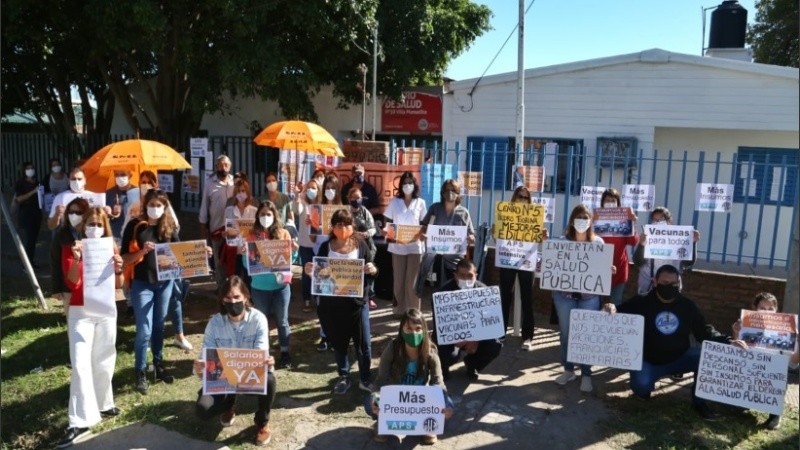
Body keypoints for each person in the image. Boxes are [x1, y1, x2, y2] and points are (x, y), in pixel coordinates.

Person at [603, 264, 744, 420]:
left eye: (674, 283)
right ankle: (647, 384)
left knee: (705, 357)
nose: (670, 287)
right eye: (665, 283)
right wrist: (610, 308)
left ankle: (699, 401)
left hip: (680, 358)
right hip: (650, 361)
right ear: (655, 282)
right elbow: (618, 312)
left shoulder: (687, 305)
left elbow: (704, 331)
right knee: (640, 389)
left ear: (679, 283)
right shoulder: (641, 301)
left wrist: (728, 340)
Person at [122, 189, 207, 394]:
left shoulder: (168, 226)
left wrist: (202, 253)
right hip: (142, 284)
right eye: (152, 205)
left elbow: (182, 255)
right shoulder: (135, 226)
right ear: (145, 205)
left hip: (165, 284)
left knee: (159, 326)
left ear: (165, 206)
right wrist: (142, 251)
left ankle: (158, 365)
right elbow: (125, 258)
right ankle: (140, 371)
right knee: (144, 329)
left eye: (159, 205)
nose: (155, 209)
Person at [56, 207, 124, 448]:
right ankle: (79, 420)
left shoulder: (110, 247)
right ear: (82, 226)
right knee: (80, 364)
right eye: (89, 224)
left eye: (97, 224)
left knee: (105, 359)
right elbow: (72, 282)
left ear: (104, 226)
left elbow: (119, 284)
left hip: (105, 311)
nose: (93, 227)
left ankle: (103, 404)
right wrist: (76, 258)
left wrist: (119, 268)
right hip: (80, 313)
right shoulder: (72, 247)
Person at [193, 276, 276, 447]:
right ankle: (228, 406)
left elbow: (261, 352)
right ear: (222, 300)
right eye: (228, 298)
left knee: (269, 380)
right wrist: (200, 368)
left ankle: (262, 423)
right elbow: (205, 356)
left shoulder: (258, 319)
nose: (233, 302)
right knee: (203, 410)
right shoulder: (214, 323)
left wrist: (266, 361)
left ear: (246, 297)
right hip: (223, 379)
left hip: (249, 376)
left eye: (237, 297)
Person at [304, 209, 378, 394]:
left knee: (364, 344)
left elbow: (373, 267)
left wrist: (372, 269)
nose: (343, 228)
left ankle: (365, 377)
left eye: (347, 224)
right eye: (339, 224)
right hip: (333, 306)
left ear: (352, 226)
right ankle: (343, 376)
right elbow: (319, 272)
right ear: (333, 227)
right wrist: (309, 270)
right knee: (339, 343)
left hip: (357, 304)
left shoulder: (361, 245)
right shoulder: (325, 247)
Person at [365, 308, 453, 445]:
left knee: (449, 404)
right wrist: (375, 400)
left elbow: (438, 384)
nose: (414, 333)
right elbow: (379, 381)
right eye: (409, 328)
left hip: (419, 400)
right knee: (369, 403)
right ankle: (383, 423)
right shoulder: (393, 348)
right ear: (401, 330)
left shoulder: (431, 352)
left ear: (424, 330)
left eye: (418, 329)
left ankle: (427, 426)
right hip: (394, 399)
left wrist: (444, 405)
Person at [550, 204, 613, 393]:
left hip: (589, 297)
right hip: (564, 297)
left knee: (586, 335)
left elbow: (601, 271)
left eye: (586, 218)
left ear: (591, 221)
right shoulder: (562, 242)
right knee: (566, 334)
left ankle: (586, 373)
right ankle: (568, 370)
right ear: (571, 220)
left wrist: (607, 270)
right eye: (579, 217)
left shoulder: (598, 243)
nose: (582, 221)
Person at [731, 292, 800, 429]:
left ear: (776, 311)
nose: (766, 312)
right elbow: (735, 355)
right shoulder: (744, 325)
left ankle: (775, 414)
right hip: (749, 372)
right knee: (736, 407)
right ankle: (745, 401)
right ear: (754, 308)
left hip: (772, 376)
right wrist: (735, 333)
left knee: (781, 376)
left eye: (770, 309)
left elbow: (793, 363)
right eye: (762, 308)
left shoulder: (787, 331)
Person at [244, 200, 296, 369]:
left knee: (282, 321)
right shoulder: (251, 236)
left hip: (281, 287)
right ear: (257, 216)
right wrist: (246, 255)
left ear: (275, 216)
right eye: (262, 214)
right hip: (259, 287)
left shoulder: (283, 233)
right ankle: (263, 354)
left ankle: (285, 352)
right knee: (261, 321)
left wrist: (293, 252)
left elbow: (291, 260)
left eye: (269, 214)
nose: (265, 217)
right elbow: (247, 264)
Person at [432, 259, 502, 381]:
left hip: (475, 337)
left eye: (469, 275)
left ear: (476, 276)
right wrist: (456, 340)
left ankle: (472, 364)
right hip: (451, 337)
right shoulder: (442, 294)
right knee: (447, 354)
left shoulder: (485, 292)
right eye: (462, 275)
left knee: (494, 345)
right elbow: (440, 327)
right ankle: (442, 368)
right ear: (455, 276)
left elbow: (490, 324)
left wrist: (475, 339)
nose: (466, 279)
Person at [497, 186, 545, 350]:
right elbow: (498, 237)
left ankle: (528, 337)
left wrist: (542, 236)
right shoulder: (505, 213)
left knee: (527, 298)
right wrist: (496, 233)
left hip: (526, 261)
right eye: (520, 196)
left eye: (525, 197)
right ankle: (499, 333)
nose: (522, 200)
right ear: (514, 197)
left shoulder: (534, 216)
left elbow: (538, 240)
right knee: (504, 296)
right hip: (508, 259)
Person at [383, 171, 427, 316]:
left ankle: (413, 312)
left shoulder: (421, 203)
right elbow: (387, 221)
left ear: (415, 185)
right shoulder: (395, 202)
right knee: (399, 281)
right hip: (397, 247)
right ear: (401, 185)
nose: (407, 185)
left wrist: (423, 234)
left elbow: (424, 223)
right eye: (405, 183)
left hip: (415, 247)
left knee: (412, 282)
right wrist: (385, 230)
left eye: (410, 182)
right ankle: (398, 310)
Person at [420, 179, 476, 289]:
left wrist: (471, 238)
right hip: (436, 258)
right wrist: (424, 234)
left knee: (455, 288)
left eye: (453, 190)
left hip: (456, 260)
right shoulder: (435, 208)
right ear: (442, 192)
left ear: (458, 193)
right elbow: (424, 226)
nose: (450, 193)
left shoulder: (463, 212)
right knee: (437, 287)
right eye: (447, 190)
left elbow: (472, 234)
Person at [633, 206, 700, 295]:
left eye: (661, 220)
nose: (658, 223)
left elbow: (688, 263)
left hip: (671, 287)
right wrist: (641, 244)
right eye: (655, 220)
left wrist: (694, 242)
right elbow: (638, 262)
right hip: (648, 287)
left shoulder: (679, 238)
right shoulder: (646, 237)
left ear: (669, 221)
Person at [594, 188, 639, 305]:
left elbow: (633, 242)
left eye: (613, 200)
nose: (610, 203)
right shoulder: (596, 219)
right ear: (602, 203)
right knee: (597, 302)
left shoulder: (624, 220)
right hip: (598, 268)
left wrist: (632, 224)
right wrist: (591, 223)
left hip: (619, 268)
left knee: (616, 302)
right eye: (607, 200)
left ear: (618, 203)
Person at [199, 154, 235, 285]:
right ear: (216, 167)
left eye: (226, 165)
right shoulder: (209, 183)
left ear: (229, 167)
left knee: (232, 260)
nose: (223, 167)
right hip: (216, 229)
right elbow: (204, 207)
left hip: (233, 230)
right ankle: (221, 289)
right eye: (220, 165)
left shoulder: (234, 182)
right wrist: (203, 229)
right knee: (219, 262)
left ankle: (232, 287)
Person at [51, 198, 89, 309]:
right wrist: (56, 289)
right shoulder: (61, 234)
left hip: (90, 285)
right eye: (71, 212)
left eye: (78, 212)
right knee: (72, 320)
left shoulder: (92, 232)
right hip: (67, 287)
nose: (74, 215)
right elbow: (55, 262)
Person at [221, 175, 258, 280]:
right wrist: (225, 234)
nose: (241, 193)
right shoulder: (229, 210)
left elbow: (257, 232)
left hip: (249, 252)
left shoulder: (254, 211)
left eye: (243, 191)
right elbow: (226, 231)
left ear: (247, 192)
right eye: (238, 191)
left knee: (249, 280)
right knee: (235, 279)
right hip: (234, 251)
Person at [347, 187, 378, 310]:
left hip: (367, 247)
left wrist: (366, 234)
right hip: (351, 247)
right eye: (353, 198)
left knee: (369, 271)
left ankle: (369, 297)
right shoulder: (346, 212)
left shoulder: (365, 211)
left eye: (358, 197)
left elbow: (373, 228)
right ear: (349, 199)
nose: (356, 200)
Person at [293, 179, 320, 314]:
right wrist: (297, 195)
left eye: (314, 188)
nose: (311, 190)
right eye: (308, 188)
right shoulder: (303, 204)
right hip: (305, 244)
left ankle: (319, 298)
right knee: (306, 273)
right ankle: (307, 300)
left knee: (320, 272)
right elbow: (296, 209)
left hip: (319, 244)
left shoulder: (322, 206)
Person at [14, 161, 43, 266]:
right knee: (29, 239)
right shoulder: (20, 183)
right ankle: (25, 265)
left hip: (37, 212)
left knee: (34, 239)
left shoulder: (36, 182)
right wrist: (33, 192)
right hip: (27, 213)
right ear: (24, 170)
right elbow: (19, 199)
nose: (30, 170)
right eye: (28, 168)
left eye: (32, 168)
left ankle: (30, 261)